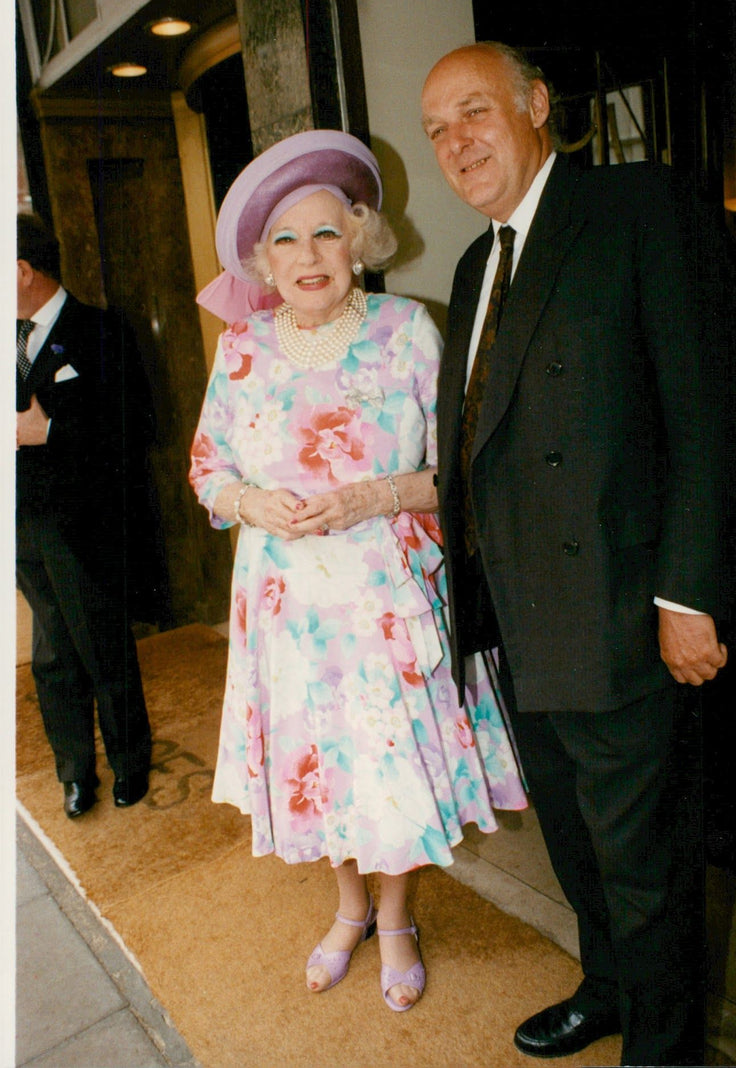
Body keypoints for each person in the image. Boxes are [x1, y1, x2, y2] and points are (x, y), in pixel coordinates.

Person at [421, 42, 736, 1065]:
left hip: (620, 611)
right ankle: (607, 987)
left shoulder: (634, 211)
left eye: (474, 112)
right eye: (437, 128)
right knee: (575, 849)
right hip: (520, 626)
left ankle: (665, 1048)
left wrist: (689, 594)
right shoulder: (474, 262)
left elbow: (715, 407)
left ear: (535, 105)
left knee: (642, 865)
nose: (455, 142)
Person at [189, 129, 527, 1012]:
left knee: (390, 764)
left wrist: (376, 495)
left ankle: (398, 918)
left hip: (385, 598)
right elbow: (207, 468)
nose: (309, 256)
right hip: (287, 606)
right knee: (318, 766)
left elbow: (459, 472)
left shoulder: (406, 330)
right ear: (264, 260)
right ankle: (348, 909)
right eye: (288, 240)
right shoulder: (241, 351)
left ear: (363, 240)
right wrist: (249, 502)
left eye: (328, 233)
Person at [16, 213, 154, 818]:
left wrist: (53, 430)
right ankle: (75, 772)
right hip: (22, 527)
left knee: (102, 647)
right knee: (50, 656)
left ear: (21, 271)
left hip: (85, 523)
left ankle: (130, 764)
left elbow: (139, 425)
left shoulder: (100, 330)